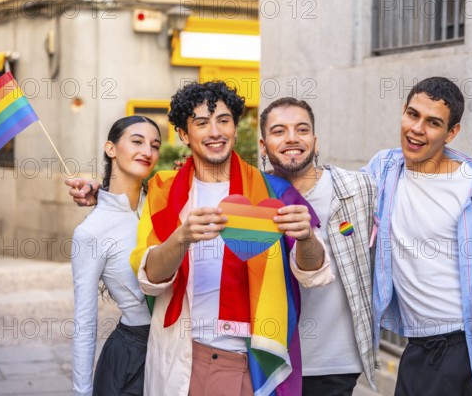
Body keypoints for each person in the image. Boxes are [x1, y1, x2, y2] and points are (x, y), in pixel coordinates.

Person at [131, 81, 332, 396]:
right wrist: (181, 238)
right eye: (201, 123)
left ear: (236, 129)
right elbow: (150, 277)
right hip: (181, 357)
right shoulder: (162, 190)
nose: (215, 131)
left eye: (223, 120)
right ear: (184, 135)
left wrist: (306, 238)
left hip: (245, 362)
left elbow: (313, 273)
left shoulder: (275, 193)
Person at [362, 76, 472, 396]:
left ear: (451, 132)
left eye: (433, 122)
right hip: (417, 346)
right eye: (413, 115)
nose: (417, 129)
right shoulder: (382, 171)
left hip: (459, 349)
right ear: (403, 111)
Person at [258, 97, 377, 395]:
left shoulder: (358, 189)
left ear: (314, 139)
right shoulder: (253, 197)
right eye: (279, 131)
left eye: (301, 129)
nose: (292, 138)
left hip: (335, 364)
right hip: (267, 360)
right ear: (263, 145)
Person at [70, 116, 161, 396]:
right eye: (137, 141)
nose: (147, 151)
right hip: (132, 357)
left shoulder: (164, 203)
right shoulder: (91, 232)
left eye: (155, 145)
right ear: (111, 148)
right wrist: (81, 391)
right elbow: (85, 323)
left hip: (178, 348)